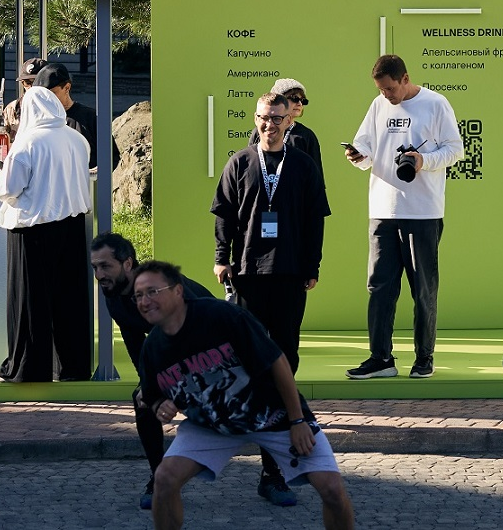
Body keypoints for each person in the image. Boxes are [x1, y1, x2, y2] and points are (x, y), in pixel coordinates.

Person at [133, 260, 355, 530]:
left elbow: (277, 362)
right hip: (211, 426)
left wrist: (297, 421)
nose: (144, 301)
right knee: (165, 479)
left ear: (178, 291)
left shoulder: (222, 316)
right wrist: (159, 405)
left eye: (152, 291)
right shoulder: (153, 348)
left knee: (332, 489)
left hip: (274, 417)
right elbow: (149, 394)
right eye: (138, 295)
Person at [214, 91, 329, 507]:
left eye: (277, 118)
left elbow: (315, 220)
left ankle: (274, 466)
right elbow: (224, 215)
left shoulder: (302, 165)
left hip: (290, 275)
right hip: (248, 276)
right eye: (264, 117)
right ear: (256, 118)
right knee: (253, 365)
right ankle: (261, 453)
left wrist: (312, 265)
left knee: (285, 363)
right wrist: (221, 259)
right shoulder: (240, 162)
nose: (270, 125)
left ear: (289, 121)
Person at [345, 54, 464, 380]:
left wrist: (423, 160)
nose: (386, 95)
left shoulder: (436, 104)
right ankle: (381, 358)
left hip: (422, 212)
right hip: (382, 211)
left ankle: (424, 357)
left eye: (390, 89)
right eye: (381, 90)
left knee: (423, 289)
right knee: (379, 288)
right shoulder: (378, 106)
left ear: (405, 79)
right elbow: (366, 147)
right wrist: (358, 155)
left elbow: (455, 149)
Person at [89, 232, 214, 511]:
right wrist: (152, 388)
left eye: (106, 266)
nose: (99, 275)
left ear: (128, 264)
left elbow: (197, 333)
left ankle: (272, 475)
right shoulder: (114, 296)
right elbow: (137, 346)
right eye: (95, 267)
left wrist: (179, 384)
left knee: (256, 407)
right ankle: (160, 479)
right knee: (143, 398)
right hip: (180, 356)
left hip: (215, 351)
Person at [0, 84, 92, 383]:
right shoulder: (77, 139)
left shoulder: (27, 143)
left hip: (32, 229)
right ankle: (72, 367)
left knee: (29, 300)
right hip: (72, 226)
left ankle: (28, 369)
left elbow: (8, 188)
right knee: (69, 299)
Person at [35, 62, 118, 170]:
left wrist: (94, 173)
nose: (48, 99)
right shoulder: (39, 120)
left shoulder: (91, 118)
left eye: (52, 93)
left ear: (67, 87)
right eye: (43, 95)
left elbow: (111, 158)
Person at [249, 78, 325, 189]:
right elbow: (250, 168)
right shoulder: (260, 132)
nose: (299, 103)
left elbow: (316, 180)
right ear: (279, 100)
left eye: (303, 101)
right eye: (294, 98)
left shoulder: (306, 136)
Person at [0, 56, 47, 140]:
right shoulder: (11, 109)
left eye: (36, 82)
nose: (31, 87)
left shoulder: (56, 108)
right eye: (27, 82)